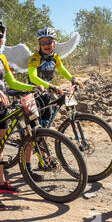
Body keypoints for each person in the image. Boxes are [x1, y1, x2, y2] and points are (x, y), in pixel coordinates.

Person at [0, 19, 44, 211]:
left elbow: (12, 82)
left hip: (3, 105)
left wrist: (32, 86)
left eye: (0, 36)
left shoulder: (1, 58)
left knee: (1, 147)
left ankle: (2, 183)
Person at [25, 27, 84, 181]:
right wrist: (51, 86)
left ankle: (43, 161)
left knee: (44, 130)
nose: (46, 45)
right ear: (39, 44)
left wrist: (73, 79)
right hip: (33, 97)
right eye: (43, 42)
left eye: (49, 42)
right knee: (33, 135)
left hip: (46, 97)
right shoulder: (34, 58)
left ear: (54, 43)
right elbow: (33, 76)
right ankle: (27, 169)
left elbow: (62, 69)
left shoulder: (55, 57)